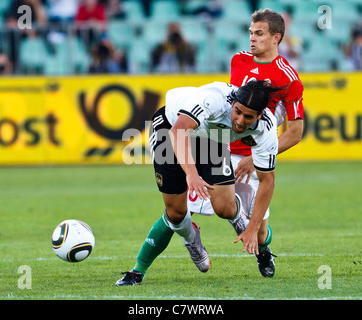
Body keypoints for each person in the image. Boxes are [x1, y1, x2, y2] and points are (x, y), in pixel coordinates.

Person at [116, 80, 282, 286]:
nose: (240, 121)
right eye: (237, 111)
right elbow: (178, 131)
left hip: (212, 135)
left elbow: (268, 180)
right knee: (176, 213)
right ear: (232, 104)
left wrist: (253, 227)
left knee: (225, 208)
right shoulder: (213, 99)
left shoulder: (266, 127)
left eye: (248, 117)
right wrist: (192, 174)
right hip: (170, 127)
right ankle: (181, 244)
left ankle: (243, 224)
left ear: (259, 115)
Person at [188, 8, 304, 278]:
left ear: (276, 38)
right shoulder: (238, 60)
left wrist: (256, 158)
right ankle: (141, 268)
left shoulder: (288, 78)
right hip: (222, 149)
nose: (252, 39)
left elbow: (295, 132)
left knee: (261, 231)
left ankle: (263, 249)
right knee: (181, 207)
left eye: (259, 34)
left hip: (254, 159)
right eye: (251, 33)